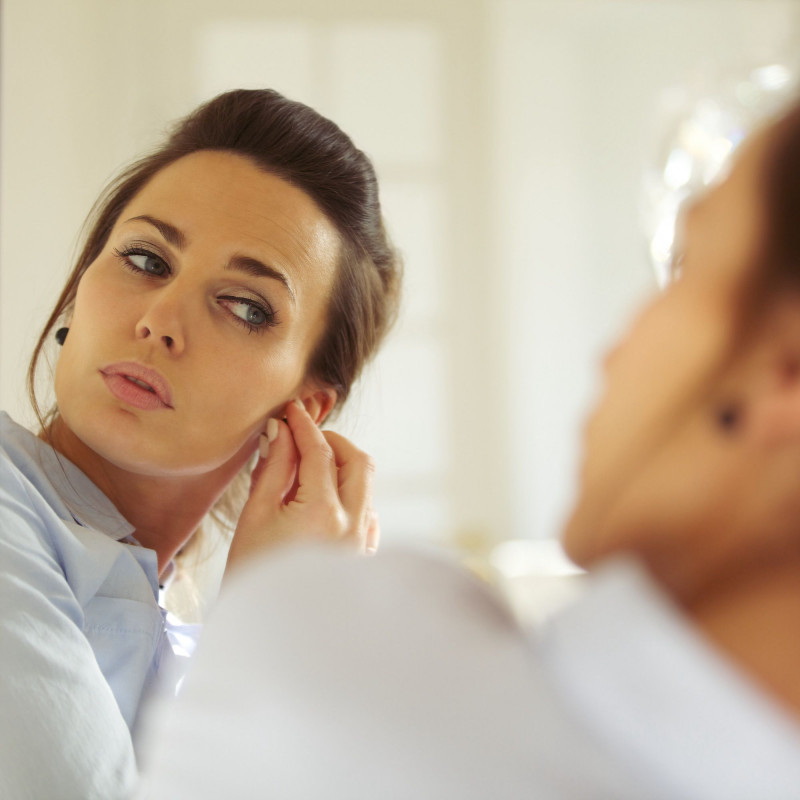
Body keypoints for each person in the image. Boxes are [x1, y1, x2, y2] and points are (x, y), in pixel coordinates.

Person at [140, 99, 800, 799]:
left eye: (684, 264)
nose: (615, 351)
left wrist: (272, 597)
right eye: (145, 258)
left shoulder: (333, 670)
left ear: (784, 374)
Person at [0, 89, 401, 799]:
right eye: (147, 260)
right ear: (81, 287)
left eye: (245, 308)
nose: (159, 321)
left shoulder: (179, 621)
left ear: (303, 410)